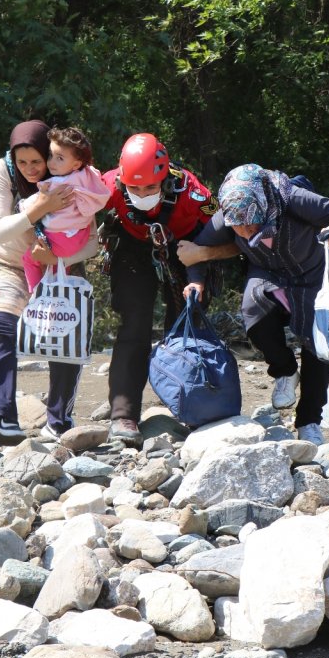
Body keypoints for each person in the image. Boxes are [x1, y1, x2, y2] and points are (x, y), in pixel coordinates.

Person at [182, 163, 329, 445]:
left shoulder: (293, 199)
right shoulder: (229, 215)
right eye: (237, 226)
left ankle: (309, 421)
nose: (244, 231)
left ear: (263, 206)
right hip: (269, 273)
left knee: (319, 346)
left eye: (251, 223)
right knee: (254, 312)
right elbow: (194, 252)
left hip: (316, 274)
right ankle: (285, 371)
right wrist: (196, 282)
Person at [99, 133, 238, 443]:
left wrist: (200, 266)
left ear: (164, 179)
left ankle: (193, 406)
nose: (142, 194)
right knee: (134, 324)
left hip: (187, 246)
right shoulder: (109, 184)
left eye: (150, 188)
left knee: (187, 326)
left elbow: (227, 236)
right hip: (132, 246)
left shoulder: (195, 195)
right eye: (134, 188)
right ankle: (123, 414)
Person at [0, 120, 98, 444]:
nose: (29, 169)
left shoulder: (70, 174)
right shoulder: (2, 170)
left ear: (49, 155)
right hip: (6, 263)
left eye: (37, 161)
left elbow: (92, 242)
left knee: (66, 337)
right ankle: (1, 417)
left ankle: (59, 420)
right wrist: (42, 207)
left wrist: (55, 259)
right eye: (22, 162)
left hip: (59, 265)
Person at [21, 127, 108, 289]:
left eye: (59, 158)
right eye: (50, 155)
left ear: (76, 164)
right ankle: (57, 292)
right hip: (79, 236)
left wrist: (22, 206)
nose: (51, 162)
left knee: (29, 259)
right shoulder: (88, 175)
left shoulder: (58, 184)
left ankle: (36, 294)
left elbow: (35, 202)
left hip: (59, 239)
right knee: (58, 270)